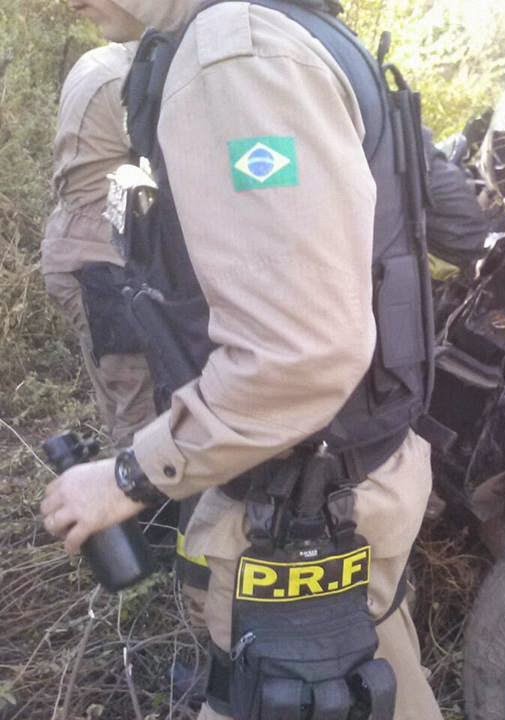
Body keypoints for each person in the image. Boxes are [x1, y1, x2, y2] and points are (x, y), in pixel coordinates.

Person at [41, 1, 443, 719]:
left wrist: (130, 475)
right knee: (380, 673)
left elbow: (298, 351)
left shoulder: (235, 52)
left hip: (295, 510)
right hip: (352, 473)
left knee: (307, 688)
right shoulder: (287, 26)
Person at [42, 28, 155, 448]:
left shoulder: (100, 62)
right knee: (142, 408)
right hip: (103, 260)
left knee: (123, 402)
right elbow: (165, 159)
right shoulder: (123, 79)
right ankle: (140, 488)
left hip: (84, 249)